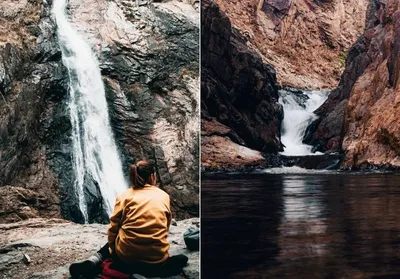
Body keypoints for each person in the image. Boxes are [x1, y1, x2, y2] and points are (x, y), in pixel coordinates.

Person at [69, 160, 188, 278]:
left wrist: (113, 250)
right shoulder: (163, 196)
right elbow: (165, 228)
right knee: (182, 259)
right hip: (155, 261)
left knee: (118, 238)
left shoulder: (124, 196)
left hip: (126, 260)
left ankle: (94, 260)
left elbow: (113, 230)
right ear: (152, 176)